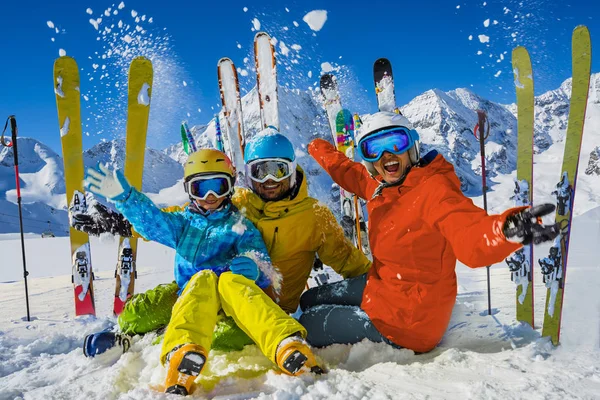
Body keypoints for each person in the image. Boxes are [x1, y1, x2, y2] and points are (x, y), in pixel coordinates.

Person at [79, 129, 371, 356]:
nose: (269, 180)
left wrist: (378, 285)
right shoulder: (240, 201)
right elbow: (173, 221)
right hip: (197, 290)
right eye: (259, 171)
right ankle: (153, 329)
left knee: (224, 336)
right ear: (246, 175)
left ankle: (167, 338)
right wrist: (123, 217)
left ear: (292, 170)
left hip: (263, 304)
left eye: (278, 170)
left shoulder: (315, 216)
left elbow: (348, 260)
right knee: (144, 310)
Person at [301, 111, 560, 353]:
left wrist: (503, 230)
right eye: (373, 149)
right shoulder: (381, 186)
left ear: (412, 146)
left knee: (308, 322)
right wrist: (316, 147)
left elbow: (469, 232)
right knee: (310, 298)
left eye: (395, 142)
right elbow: (347, 171)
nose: (386, 154)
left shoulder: (434, 191)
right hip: (383, 288)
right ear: (368, 160)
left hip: (408, 322)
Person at [84, 149, 323, 395]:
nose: (210, 196)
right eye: (201, 188)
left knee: (229, 305)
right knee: (138, 312)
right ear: (189, 190)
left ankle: (285, 344)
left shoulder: (240, 226)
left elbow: (261, 259)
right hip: (188, 294)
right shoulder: (183, 223)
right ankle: (169, 343)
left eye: (218, 186)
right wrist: (127, 198)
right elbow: (154, 223)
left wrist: (255, 268)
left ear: (229, 187)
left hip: (231, 300)